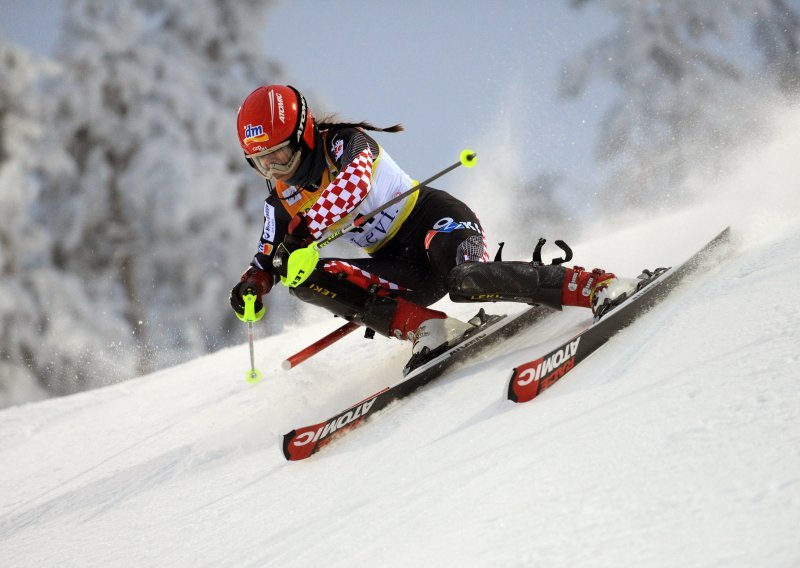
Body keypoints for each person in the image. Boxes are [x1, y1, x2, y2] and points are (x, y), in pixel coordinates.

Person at [229, 85, 639, 368]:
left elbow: (354, 186)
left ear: (304, 135)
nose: (274, 169)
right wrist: (254, 284)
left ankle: (595, 285)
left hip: (435, 223)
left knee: (464, 280)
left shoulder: (346, 143)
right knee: (303, 277)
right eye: (260, 162)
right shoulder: (280, 200)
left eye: (280, 155)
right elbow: (267, 257)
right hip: (398, 265)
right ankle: (427, 327)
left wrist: (305, 232)